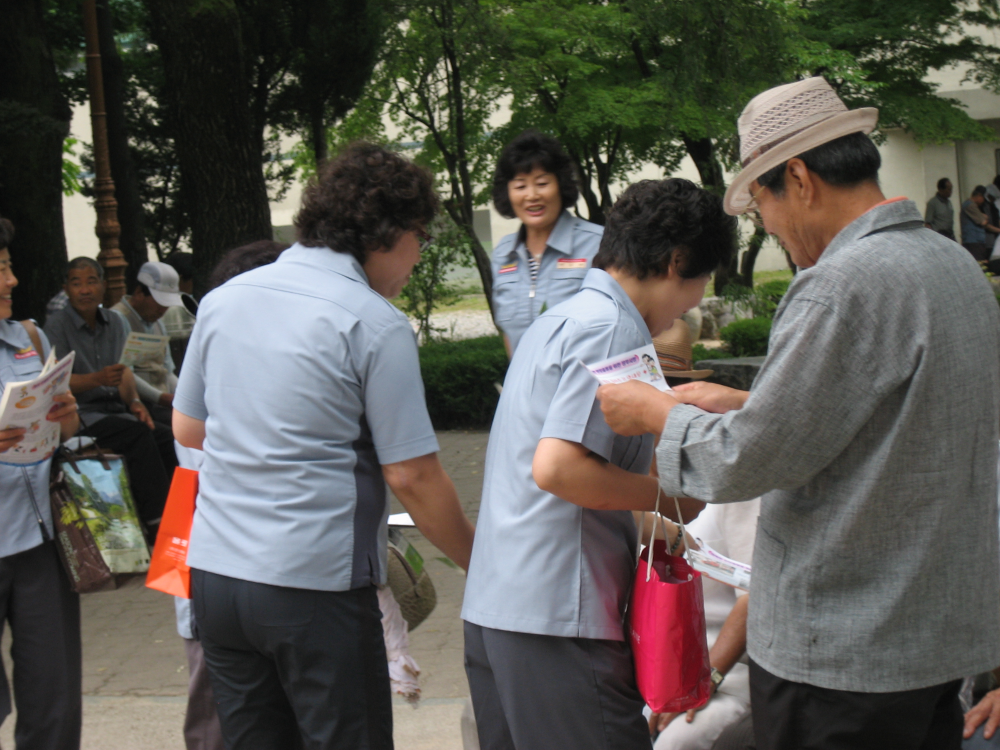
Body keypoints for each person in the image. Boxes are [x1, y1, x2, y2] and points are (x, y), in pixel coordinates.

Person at [596, 76, 1000, 750]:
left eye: (761, 208)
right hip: (932, 647)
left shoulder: (838, 287)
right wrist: (752, 402)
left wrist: (655, 412)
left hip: (843, 653)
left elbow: (744, 460)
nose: (771, 228)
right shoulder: (954, 268)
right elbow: (898, 424)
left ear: (801, 179)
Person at [172, 143, 476, 750]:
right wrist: (483, 561)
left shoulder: (225, 299)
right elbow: (413, 476)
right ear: (386, 232)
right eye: (421, 236)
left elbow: (188, 429)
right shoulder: (373, 322)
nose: (419, 256)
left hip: (217, 579)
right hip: (314, 587)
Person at [462, 178, 735, 750]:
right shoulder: (613, 328)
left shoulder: (557, 321)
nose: (695, 301)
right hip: (560, 617)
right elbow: (558, 469)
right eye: (701, 282)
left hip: (500, 608)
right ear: (676, 261)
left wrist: (648, 519)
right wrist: (670, 500)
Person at [0, 215, 83, 750]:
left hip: (39, 539)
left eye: (7, 267)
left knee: (53, 698)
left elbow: (67, 429)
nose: (10, 280)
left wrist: (66, 415)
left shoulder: (27, 335)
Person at [44, 257, 175, 533]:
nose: (85, 290)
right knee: (137, 435)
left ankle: (179, 510)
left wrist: (136, 402)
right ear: (66, 289)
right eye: (76, 283)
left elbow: (124, 371)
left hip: (116, 409)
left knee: (164, 434)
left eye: (91, 282)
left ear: (103, 286)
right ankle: (158, 521)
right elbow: (55, 383)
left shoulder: (115, 322)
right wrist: (96, 379)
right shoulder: (56, 327)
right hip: (82, 416)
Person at [647, 500, 759, 750]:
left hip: (726, 672)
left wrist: (706, 680)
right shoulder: (629, 485)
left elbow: (756, 593)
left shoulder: (738, 492)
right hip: (652, 669)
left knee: (676, 742)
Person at [490, 129, 604, 356]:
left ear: (560, 185)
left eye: (542, 183)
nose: (531, 195)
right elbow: (508, 334)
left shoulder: (599, 244)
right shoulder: (503, 254)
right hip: (527, 390)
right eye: (520, 186)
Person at [110, 261, 184, 422]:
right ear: (139, 293)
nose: (162, 310)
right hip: (139, 404)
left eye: (167, 305)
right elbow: (125, 373)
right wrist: (161, 398)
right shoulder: (118, 319)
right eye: (159, 303)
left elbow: (167, 370)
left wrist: (184, 395)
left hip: (164, 401)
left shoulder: (158, 323)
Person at [961, 185, 1000, 260]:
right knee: (979, 263)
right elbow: (983, 222)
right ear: (979, 196)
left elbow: (985, 223)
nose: (983, 202)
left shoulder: (973, 206)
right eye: (983, 199)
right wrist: (984, 217)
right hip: (973, 242)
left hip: (977, 241)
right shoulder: (970, 205)